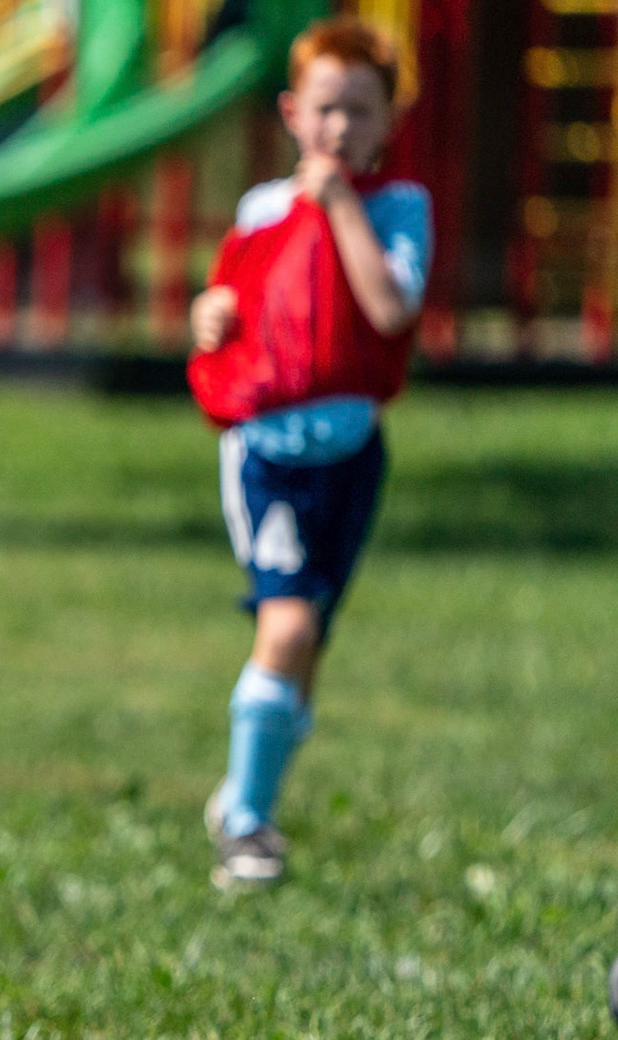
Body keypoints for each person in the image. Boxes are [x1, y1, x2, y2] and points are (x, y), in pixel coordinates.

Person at [187, 17, 429, 889]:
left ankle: (246, 794)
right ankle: (248, 825)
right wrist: (206, 316)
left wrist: (337, 208)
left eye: (359, 113)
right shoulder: (260, 209)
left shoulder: (401, 210)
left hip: (353, 455)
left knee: (307, 648)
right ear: (293, 113)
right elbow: (228, 303)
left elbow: (389, 306)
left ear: (384, 124)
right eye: (325, 109)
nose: (339, 129)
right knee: (283, 627)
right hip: (268, 456)